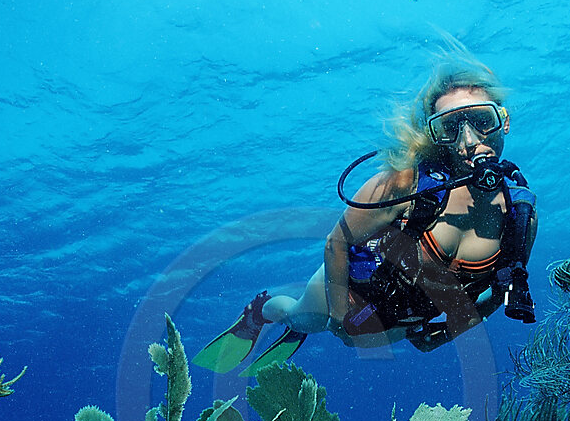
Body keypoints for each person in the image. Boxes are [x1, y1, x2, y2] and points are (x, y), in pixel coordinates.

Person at [193, 57, 537, 376]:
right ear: (435, 136)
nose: (469, 140)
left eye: (481, 121)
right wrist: (341, 317)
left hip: (401, 323)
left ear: (503, 121)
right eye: (450, 127)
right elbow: (337, 241)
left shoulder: (521, 217)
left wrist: (447, 333)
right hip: (350, 289)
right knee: (303, 317)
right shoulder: (406, 185)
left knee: (344, 334)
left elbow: (500, 290)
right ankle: (262, 310)